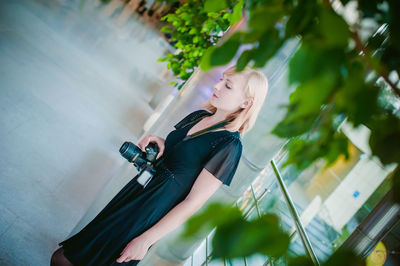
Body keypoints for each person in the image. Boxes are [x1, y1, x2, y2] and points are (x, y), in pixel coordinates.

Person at [50, 64, 269, 266]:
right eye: (221, 79)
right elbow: (182, 157)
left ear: (246, 103)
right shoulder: (200, 116)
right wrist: (161, 142)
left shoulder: (228, 145)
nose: (218, 85)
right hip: (136, 193)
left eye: (228, 85)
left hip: (148, 213)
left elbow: (193, 203)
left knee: (65, 260)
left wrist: (146, 239)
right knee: (70, 257)